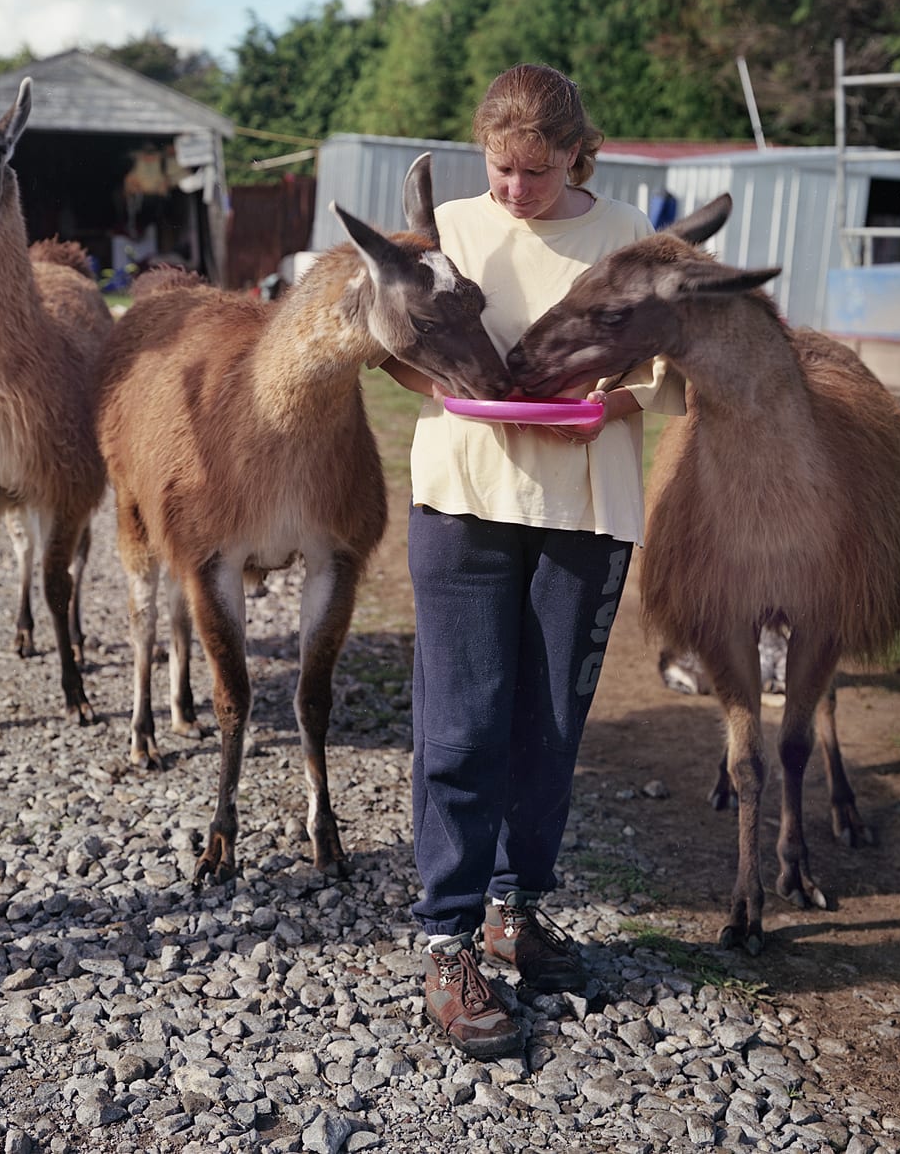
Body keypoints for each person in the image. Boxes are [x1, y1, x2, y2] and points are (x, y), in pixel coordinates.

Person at [380, 63, 684, 1058]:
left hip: (586, 503)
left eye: (537, 174)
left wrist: (607, 407)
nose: (515, 191)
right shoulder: (452, 226)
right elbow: (387, 340)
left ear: (576, 153)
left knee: (551, 722)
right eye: (501, 171)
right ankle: (449, 941)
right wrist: (439, 372)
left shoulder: (630, 228)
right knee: (463, 723)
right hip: (465, 492)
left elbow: (670, 368)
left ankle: (519, 907)